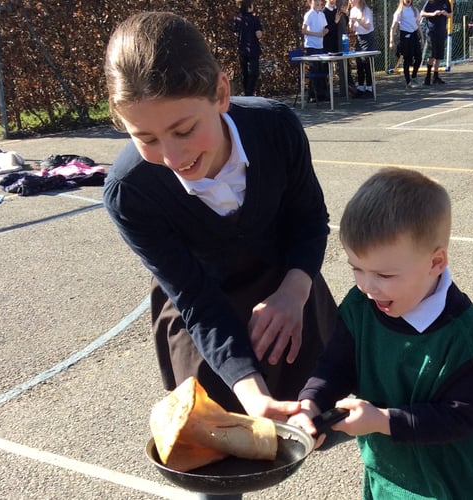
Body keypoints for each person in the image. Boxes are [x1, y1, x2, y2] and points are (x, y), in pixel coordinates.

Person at [103, 12, 338, 499]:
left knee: (322, 420)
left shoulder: (276, 127)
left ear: (222, 93)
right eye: (144, 138)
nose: (172, 157)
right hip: (202, 310)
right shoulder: (130, 191)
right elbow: (192, 297)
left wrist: (294, 292)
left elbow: (310, 220)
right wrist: (250, 393)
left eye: (184, 129)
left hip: (285, 285)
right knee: (217, 467)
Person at [289, 168, 473, 500]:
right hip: (390, 474)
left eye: (384, 274)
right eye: (355, 268)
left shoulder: (464, 337)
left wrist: (382, 420)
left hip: (456, 481)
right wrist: (310, 403)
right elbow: (335, 366)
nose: (366, 285)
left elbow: (458, 417)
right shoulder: (360, 306)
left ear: (436, 262)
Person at [389, 0, 423, 89]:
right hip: (405, 36)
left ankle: (414, 76)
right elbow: (393, 27)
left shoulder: (415, 10)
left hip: (414, 35)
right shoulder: (399, 11)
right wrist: (391, 41)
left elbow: (418, 25)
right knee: (407, 59)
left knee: (419, 57)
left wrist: (422, 38)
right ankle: (408, 82)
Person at [302, 0, 330, 102]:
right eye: (315, 2)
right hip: (311, 46)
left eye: (319, 1)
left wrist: (325, 31)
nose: (318, 3)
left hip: (320, 46)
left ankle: (322, 94)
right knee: (314, 69)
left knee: (322, 69)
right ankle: (312, 95)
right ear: (311, 3)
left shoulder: (322, 15)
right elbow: (303, 30)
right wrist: (316, 34)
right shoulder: (309, 15)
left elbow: (325, 28)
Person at [233, 0, 263, 96]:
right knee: (254, 72)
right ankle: (249, 93)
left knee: (245, 73)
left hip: (242, 49)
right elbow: (259, 35)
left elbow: (235, 32)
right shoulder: (254, 19)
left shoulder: (238, 19)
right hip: (253, 49)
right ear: (249, 6)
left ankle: (246, 92)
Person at [421, 0, 452, 85]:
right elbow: (422, 13)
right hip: (432, 32)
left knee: (439, 55)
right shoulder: (430, 2)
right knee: (431, 54)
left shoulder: (446, 2)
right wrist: (433, 13)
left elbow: (450, 14)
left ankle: (436, 76)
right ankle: (427, 76)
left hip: (441, 32)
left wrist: (446, 14)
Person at [349, 0, 376, 97]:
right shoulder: (352, 10)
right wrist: (352, 23)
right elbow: (352, 29)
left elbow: (368, 26)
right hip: (359, 38)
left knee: (367, 63)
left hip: (367, 38)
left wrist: (358, 20)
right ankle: (360, 87)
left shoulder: (366, 10)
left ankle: (369, 88)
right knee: (359, 62)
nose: (351, 1)